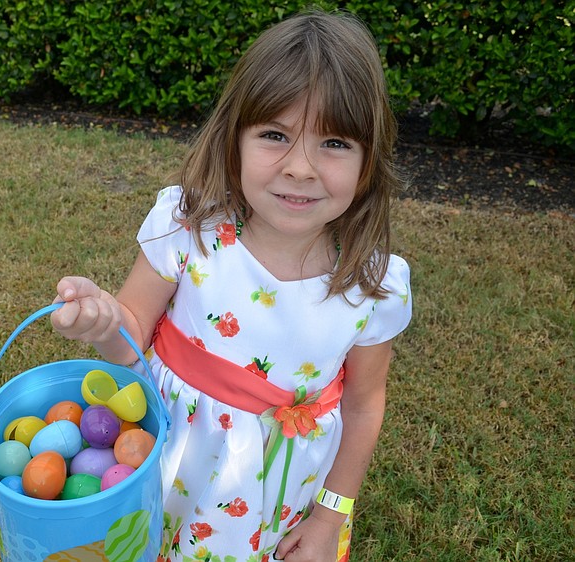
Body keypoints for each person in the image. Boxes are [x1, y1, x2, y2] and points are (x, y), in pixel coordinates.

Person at [51, 9, 412, 562]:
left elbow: (363, 405)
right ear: (234, 140)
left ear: (368, 162)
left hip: (279, 490)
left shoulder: (372, 284)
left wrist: (329, 516)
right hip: (171, 459)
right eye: (275, 135)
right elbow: (130, 338)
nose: (300, 168)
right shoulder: (190, 229)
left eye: (335, 143)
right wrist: (104, 320)